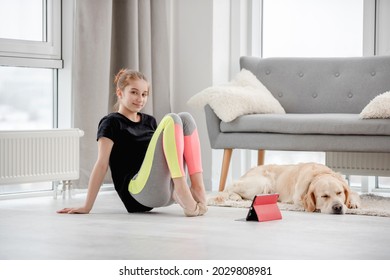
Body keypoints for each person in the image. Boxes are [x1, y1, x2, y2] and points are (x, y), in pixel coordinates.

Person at [57, 69, 207, 217]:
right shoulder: (111, 123)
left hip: (164, 191)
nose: (140, 98)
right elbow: (102, 164)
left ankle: (197, 188)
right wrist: (86, 206)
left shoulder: (150, 121)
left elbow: (161, 158)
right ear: (120, 93)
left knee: (185, 118)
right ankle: (181, 187)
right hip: (138, 193)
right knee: (172, 119)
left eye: (144, 94)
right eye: (134, 92)